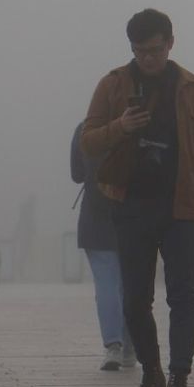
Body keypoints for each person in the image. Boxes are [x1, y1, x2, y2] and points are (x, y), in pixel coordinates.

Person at [81, 8, 194, 387]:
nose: (147, 59)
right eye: (139, 51)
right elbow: (89, 142)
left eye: (154, 50)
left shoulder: (193, 89)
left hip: (182, 206)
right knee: (135, 299)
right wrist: (122, 126)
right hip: (130, 204)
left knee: (183, 296)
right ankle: (151, 374)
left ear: (170, 43)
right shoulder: (113, 84)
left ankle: (179, 381)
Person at [71, 121, 135, 371]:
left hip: (95, 215)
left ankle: (113, 346)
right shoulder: (135, 122)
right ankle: (131, 346)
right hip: (130, 212)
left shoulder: (85, 128)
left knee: (106, 282)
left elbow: (77, 174)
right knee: (130, 284)